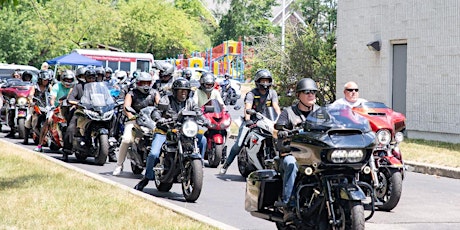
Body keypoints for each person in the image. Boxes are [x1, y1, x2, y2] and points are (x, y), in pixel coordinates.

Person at [134, 78, 209, 191]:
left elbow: (198, 112)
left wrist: (205, 120)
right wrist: (159, 119)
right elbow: (157, 111)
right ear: (175, 91)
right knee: (154, 153)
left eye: (186, 91)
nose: (183, 93)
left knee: (202, 140)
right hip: (166, 131)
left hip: (184, 131)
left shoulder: (190, 102)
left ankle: (199, 166)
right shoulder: (166, 99)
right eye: (180, 91)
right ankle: (146, 177)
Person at [273, 78, 319, 222]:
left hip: (313, 155)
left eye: (313, 92)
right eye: (307, 92)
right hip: (291, 154)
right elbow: (278, 127)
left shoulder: (321, 112)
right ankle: (289, 205)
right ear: (298, 95)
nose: (311, 95)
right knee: (291, 164)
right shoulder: (288, 112)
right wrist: (282, 132)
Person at [219, 69, 281, 174]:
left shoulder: (272, 93)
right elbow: (247, 107)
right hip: (252, 121)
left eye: (267, 81)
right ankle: (226, 165)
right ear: (257, 81)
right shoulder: (251, 94)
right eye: (263, 81)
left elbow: (276, 106)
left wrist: (280, 117)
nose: (265, 83)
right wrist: (247, 120)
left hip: (268, 121)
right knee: (238, 144)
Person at [112, 72, 159, 176]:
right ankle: (119, 165)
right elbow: (126, 107)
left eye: (148, 83)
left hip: (151, 121)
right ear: (138, 83)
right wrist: (130, 116)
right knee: (126, 139)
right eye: (143, 83)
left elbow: (160, 105)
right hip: (135, 119)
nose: (145, 86)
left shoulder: (154, 93)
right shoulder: (131, 93)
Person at [64, 69, 97, 155]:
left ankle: (111, 149)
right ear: (85, 78)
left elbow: (106, 98)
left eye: (93, 78)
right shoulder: (78, 87)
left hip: (96, 112)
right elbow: (70, 99)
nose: (91, 80)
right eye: (89, 78)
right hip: (81, 111)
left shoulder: (98, 88)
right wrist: (78, 103)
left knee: (112, 119)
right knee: (71, 127)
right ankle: (66, 150)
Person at [24, 70, 51, 148]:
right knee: (28, 119)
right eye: (44, 80)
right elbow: (30, 95)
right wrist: (31, 101)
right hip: (36, 106)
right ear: (40, 80)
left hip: (46, 106)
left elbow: (52, 95)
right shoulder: (35, 86)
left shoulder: (49, 87)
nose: (45, 82)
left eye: (47, 80)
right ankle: (25, 138)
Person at [5, 71, 34, 138]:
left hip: (28, 101)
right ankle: (12, 129)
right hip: (20, 100)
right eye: (26, 76)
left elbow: (34, 93)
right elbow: (13, 90)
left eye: (28, 77)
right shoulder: (18, 83)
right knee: (11, 109)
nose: (27, 78)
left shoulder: (32, 85)